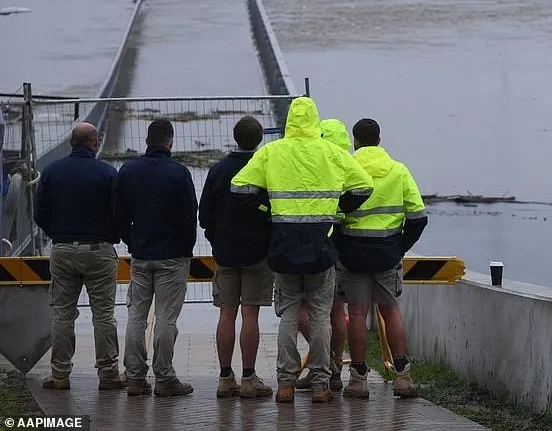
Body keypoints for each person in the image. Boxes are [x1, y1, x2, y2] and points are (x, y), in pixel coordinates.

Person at [230, 98, 373, 404]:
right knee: (321, 319)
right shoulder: (332, 153)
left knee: (288, 318)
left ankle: (285, 384)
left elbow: (239, 187)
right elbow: (363, 186)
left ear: (289, 120)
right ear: (315, 120)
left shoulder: (272, 151)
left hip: (284, 247)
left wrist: (266, 208)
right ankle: (321, 384)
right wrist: (337, 207)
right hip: (320, 246)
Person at [336, 118, 427, 399]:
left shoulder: (346, 170)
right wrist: (399, 247)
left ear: (356, 140)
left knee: (358, 314)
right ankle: (402, 376)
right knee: (391, 311)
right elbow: (418, 217)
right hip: (387, 252)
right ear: (379, 139)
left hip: (353, 254)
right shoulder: (399, 171)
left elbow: (335, 215)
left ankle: (358, 379)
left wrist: (341, 245)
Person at [34, 123, 125, 391]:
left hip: (62, 250)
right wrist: (111, 236)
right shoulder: (108, 173)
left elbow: (39, 213)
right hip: (98, 250)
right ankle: (108, 373)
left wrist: (58, 234)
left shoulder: (51, 172)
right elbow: (119, 213)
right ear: (95, 143)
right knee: (104, 315)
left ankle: (59, 374)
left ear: (71, 142)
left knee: (62, 314)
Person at [115, 119, 197, 398]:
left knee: (137, 316)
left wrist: (131, 239)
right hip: (172, 255)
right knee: (166, 318)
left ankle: (135, 378)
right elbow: (190, 215)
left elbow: (119, 213)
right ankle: (165, 377)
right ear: (170, 141)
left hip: (141, 254)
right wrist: (186, 248)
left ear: (147, 141)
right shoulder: (179, 173)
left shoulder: (128, 170)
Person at [199, 116, 273, 399]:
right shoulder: (264, 169)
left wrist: (216, 239)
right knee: (250, 313)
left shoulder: (218, 170)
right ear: (259, 139)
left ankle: (225, 376)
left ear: (235, 136)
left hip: (226, 251)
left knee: (226, 313)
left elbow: (204, 214)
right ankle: (248, 376)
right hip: (258, 253)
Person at [294, 118, 353, 393]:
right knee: (337, 312)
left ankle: (323, 364)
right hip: (350, 246)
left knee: (304, 309)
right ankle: (335, 371)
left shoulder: (322, 163)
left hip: (322, 243)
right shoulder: (351, 163)